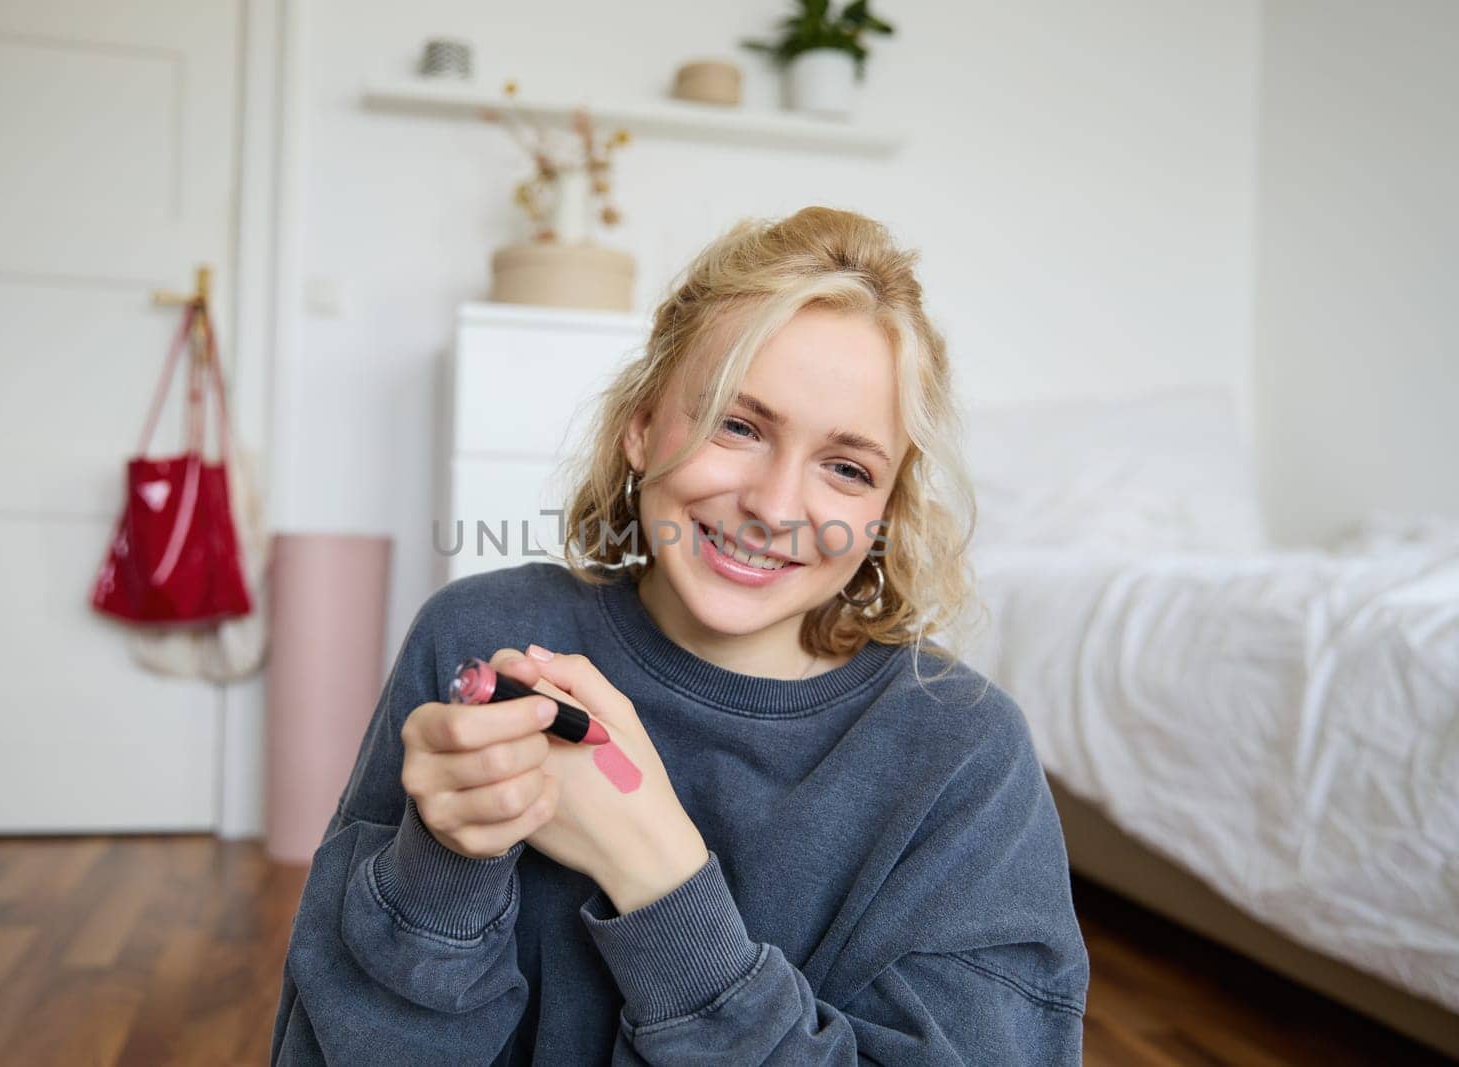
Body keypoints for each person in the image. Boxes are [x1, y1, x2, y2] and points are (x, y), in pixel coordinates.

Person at [270, 206, 1089, 1065]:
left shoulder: (962, 753)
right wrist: (442, 865)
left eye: (846, 468)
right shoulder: (481, 634)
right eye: (738, 425)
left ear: (886, 510)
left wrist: (656, 874)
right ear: (641, 423)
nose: (774, 508)